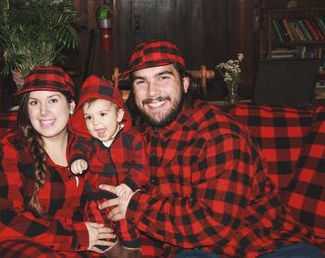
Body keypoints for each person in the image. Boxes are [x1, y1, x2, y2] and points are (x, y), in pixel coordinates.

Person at [98, 40, 323, 257]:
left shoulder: (219, 134)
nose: (152, 92)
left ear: (185, 84)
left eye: (163, 78)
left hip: (268, 245)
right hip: (195, 251)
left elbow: (213, 224)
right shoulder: (138, 136)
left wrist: (135, 206)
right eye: (141, 82)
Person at [0, 66, 115, 257]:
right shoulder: (11, 148)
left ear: (71, 106)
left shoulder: (90, 144)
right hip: (14, 246)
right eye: (34, 102)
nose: (43, 111)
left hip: (76, 246)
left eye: (53, 100)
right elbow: (2, 221)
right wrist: (76, 236)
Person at [68, 75, 149, 258]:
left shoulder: (132, 137)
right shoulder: (87, 139)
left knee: (128, 229)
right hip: (95, 198)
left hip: (126, 195)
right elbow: (79, 148)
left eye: (102, 114)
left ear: (119, 114)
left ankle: (130, 252)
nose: (95, 123)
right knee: (100, 231)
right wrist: (77, 159)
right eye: (89, 117)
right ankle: (113, 253)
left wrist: (129, 184)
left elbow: (141, 166)